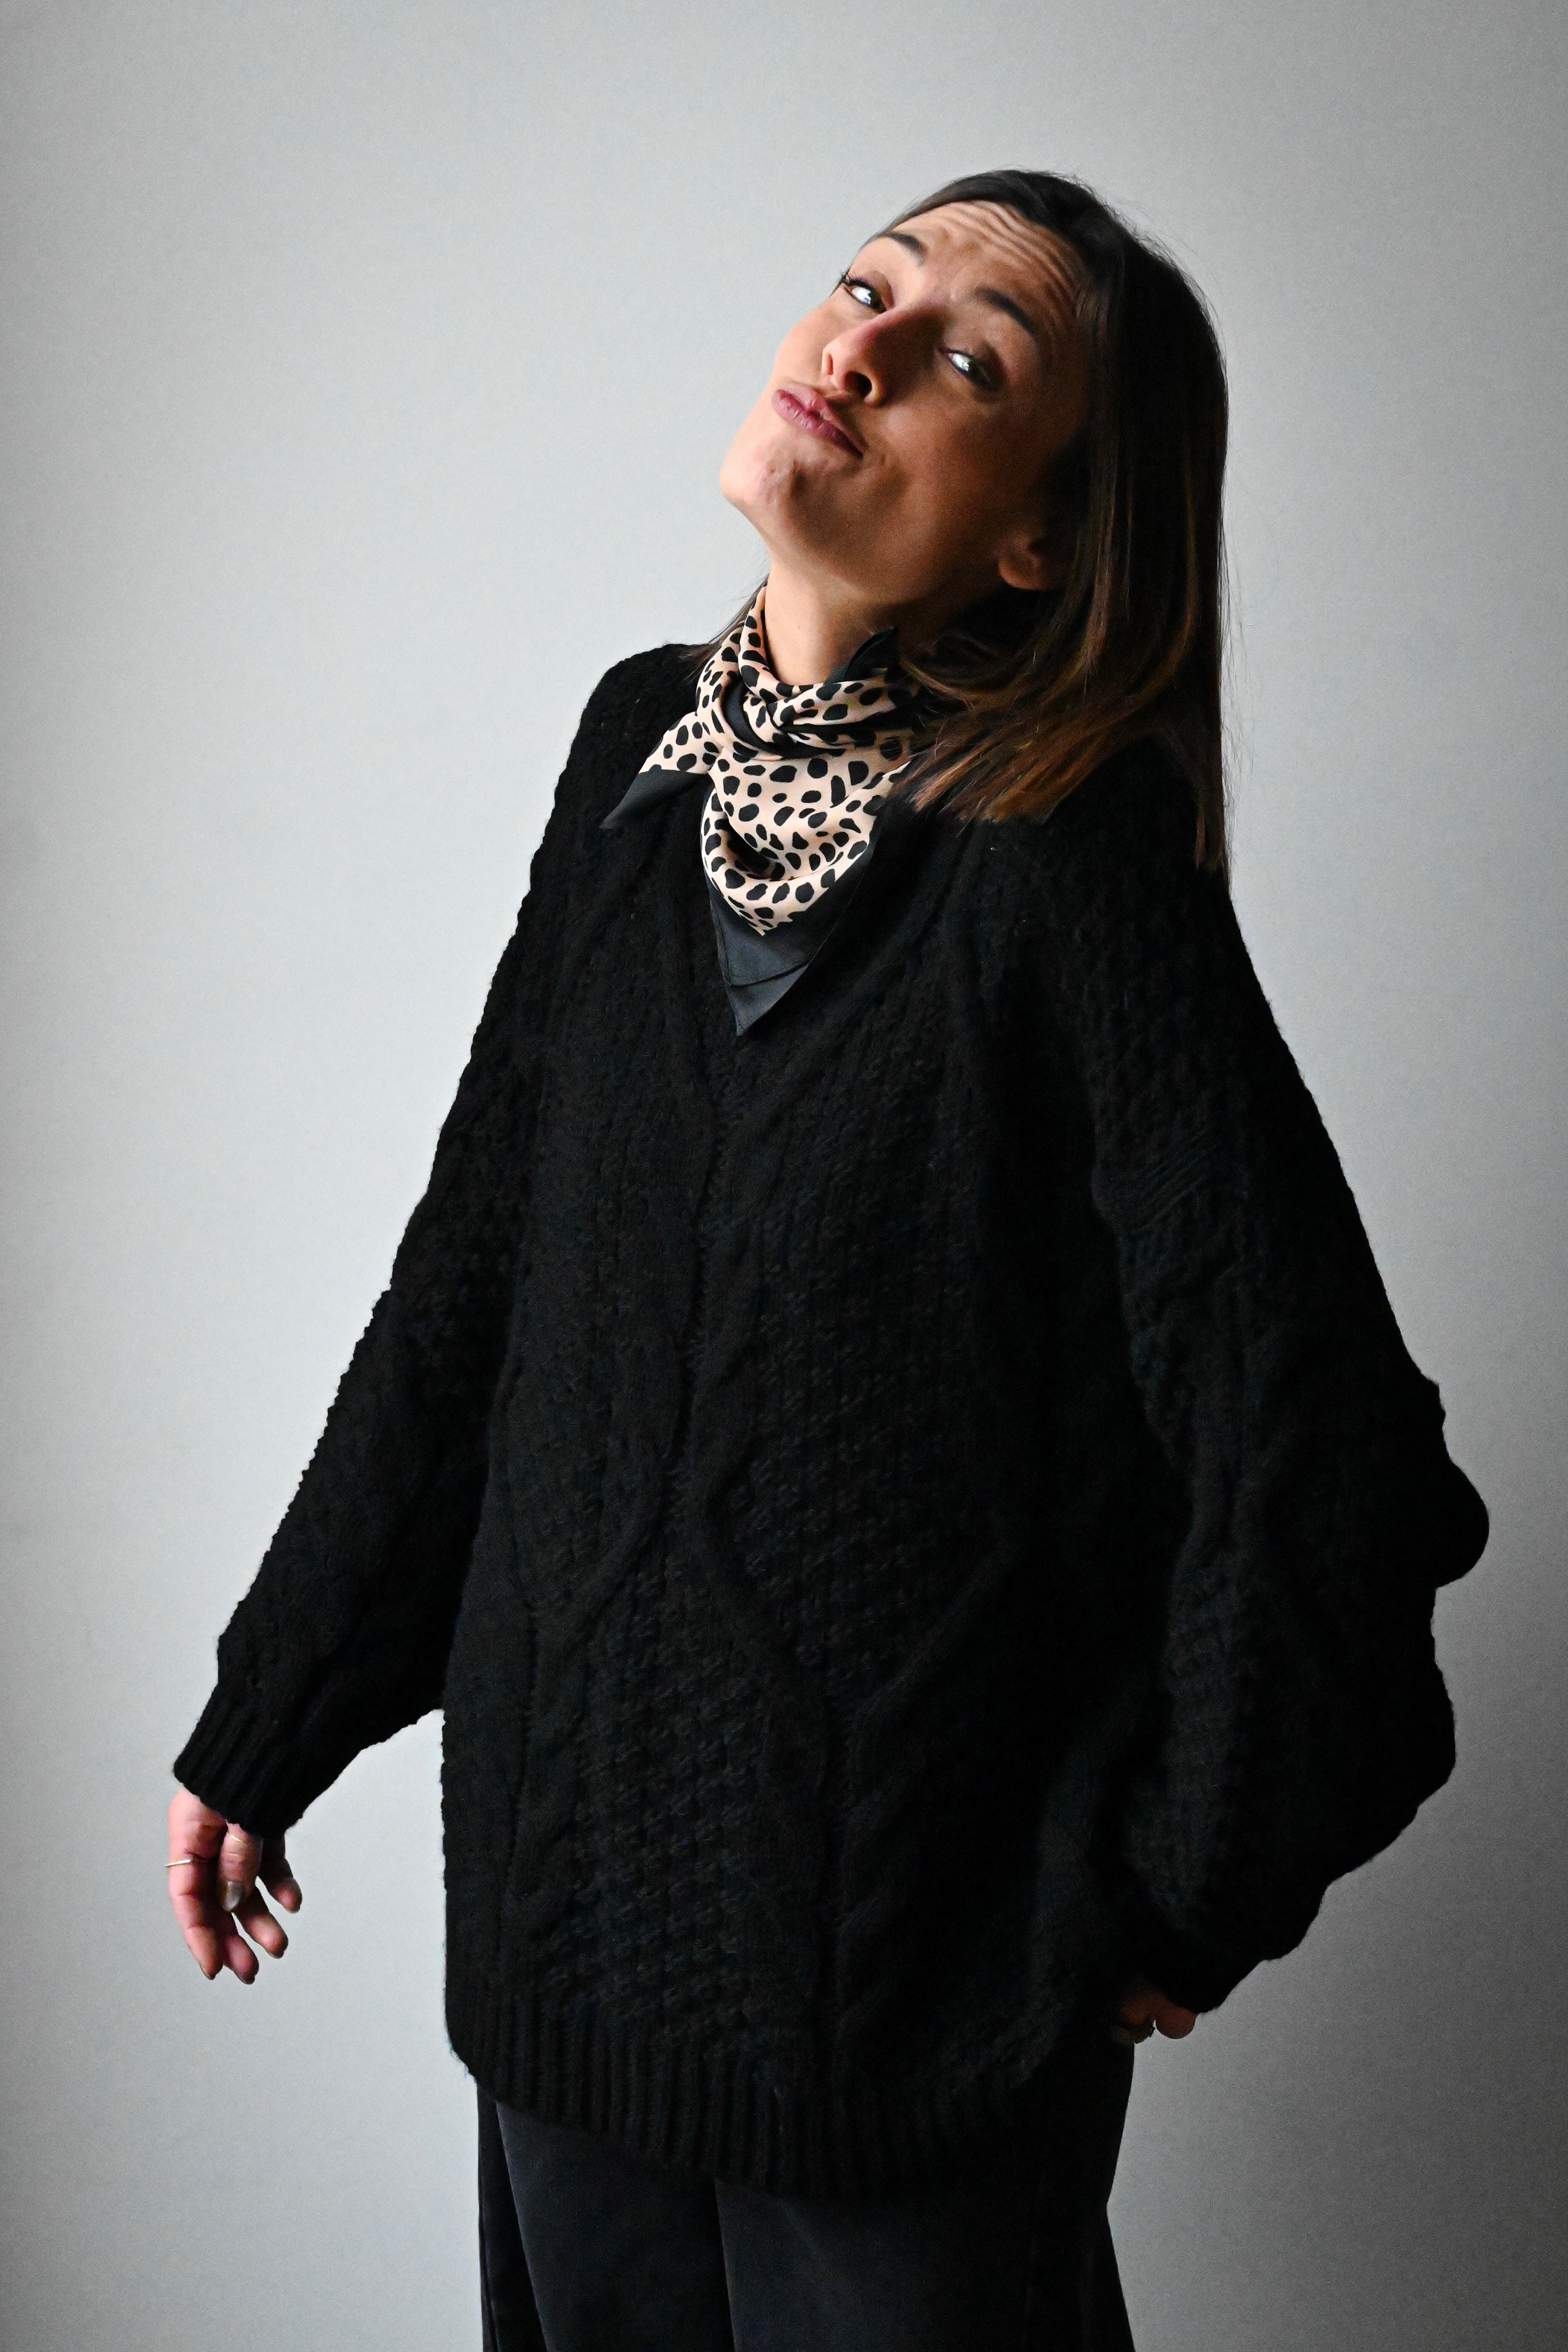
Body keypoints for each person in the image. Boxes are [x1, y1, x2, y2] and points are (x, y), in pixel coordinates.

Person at [166, 169, 1488, 2350]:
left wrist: (1190, 1884)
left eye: (967, 355)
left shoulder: (1069, 855)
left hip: (913, 2029)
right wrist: (271, 1713)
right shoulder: (632, 758)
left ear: (1040, 537)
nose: (860, 344)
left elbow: (1317, 1440)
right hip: (568, 1952)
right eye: (867, 284)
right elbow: (476, 1280)